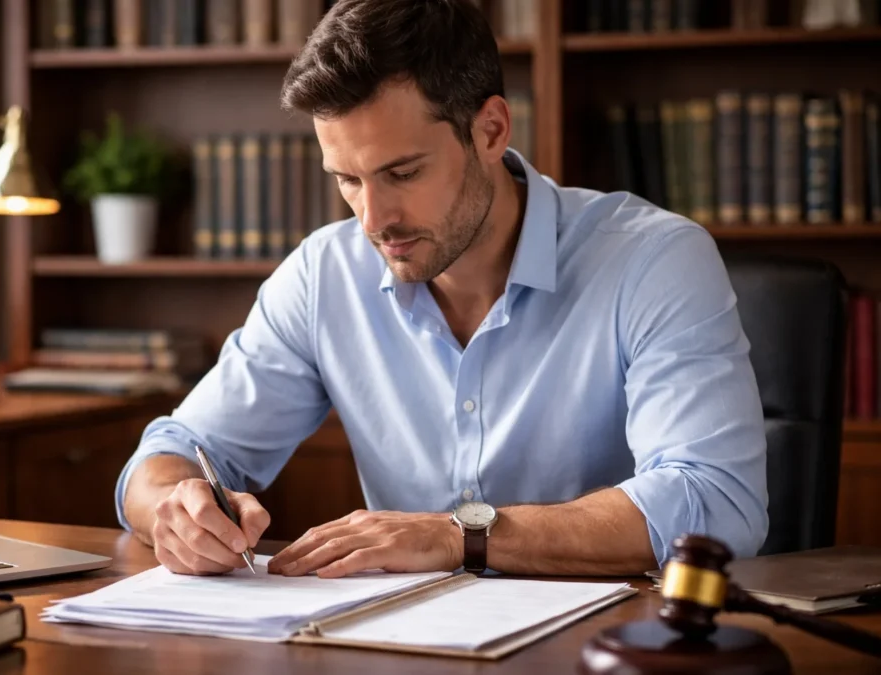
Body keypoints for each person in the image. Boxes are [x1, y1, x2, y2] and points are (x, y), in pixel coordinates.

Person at [115, 0, 768, 579]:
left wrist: (460, 534)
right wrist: (176, 508)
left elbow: (716, 500)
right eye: (345, 179)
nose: (370, 220)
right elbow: (170, 453)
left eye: (401, 171)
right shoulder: (322, 276)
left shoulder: (654, 259)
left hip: (611, 648)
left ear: (490, 130)